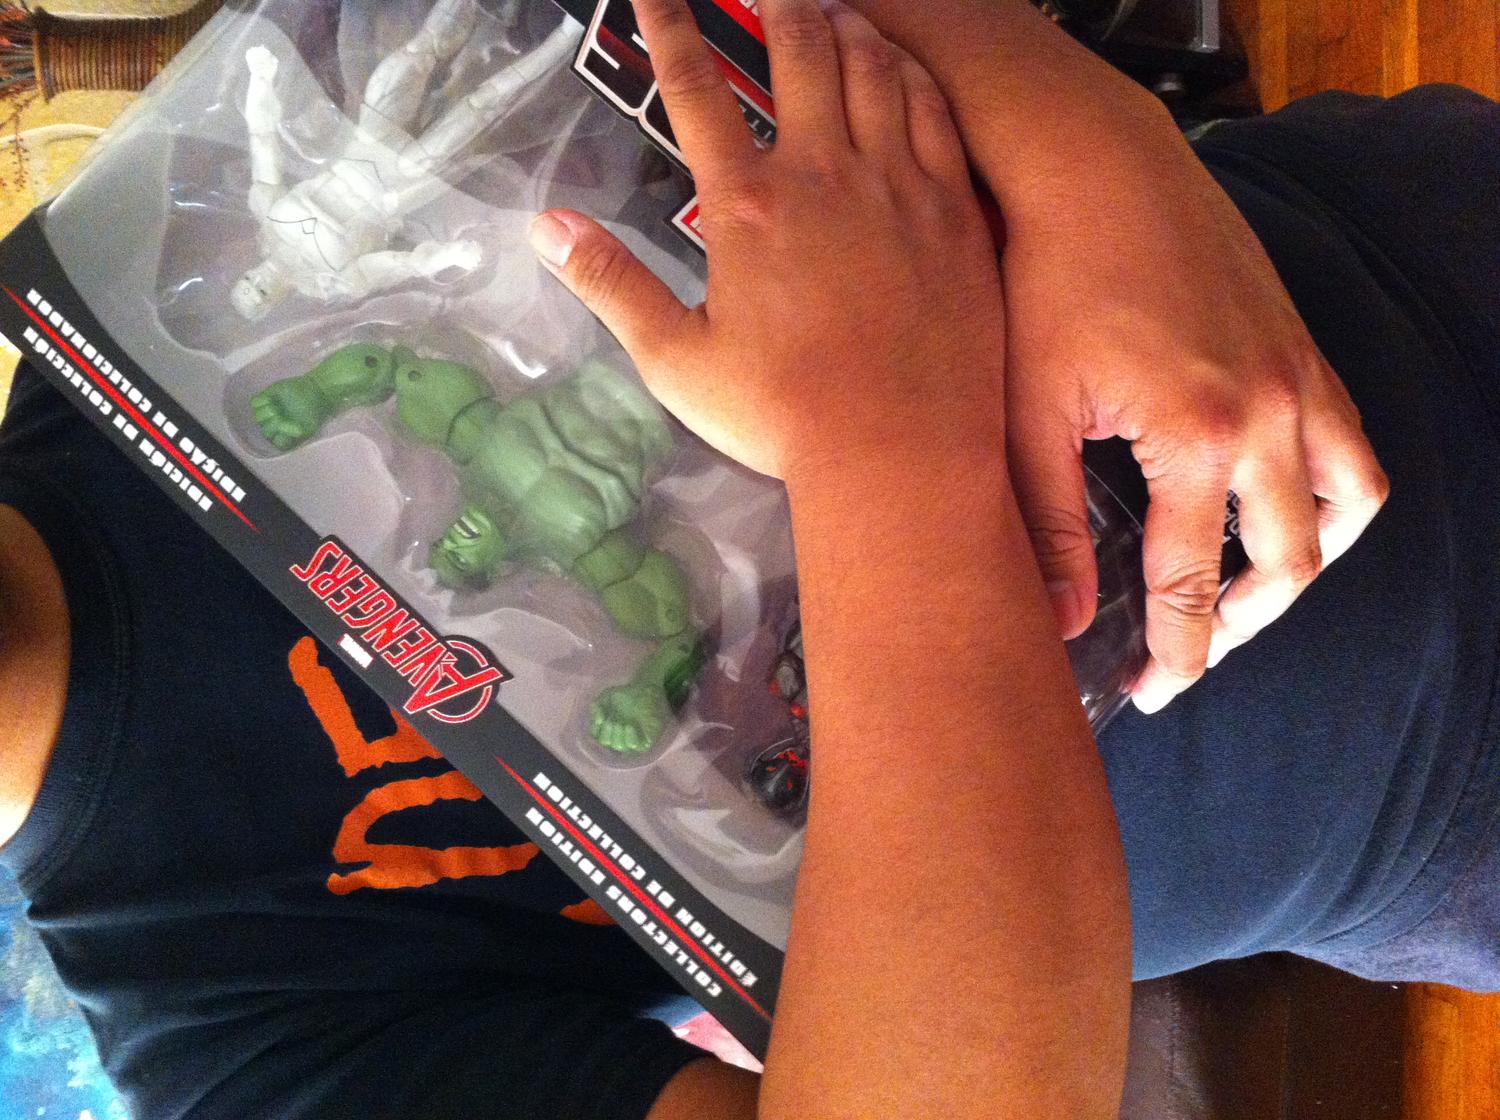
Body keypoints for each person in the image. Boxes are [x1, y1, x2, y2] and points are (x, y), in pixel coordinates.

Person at [1, 0, 1497, 1116]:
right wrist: (884, 435)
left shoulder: (130, 285)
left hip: (1399, 225)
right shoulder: (230, 1024)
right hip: (1444, 802)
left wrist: (1080, 134)